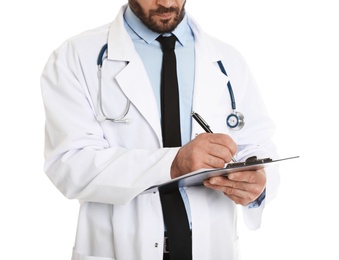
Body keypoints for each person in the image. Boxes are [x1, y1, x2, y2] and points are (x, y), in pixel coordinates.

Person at [41, 1, 279, 259]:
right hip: (121, 246)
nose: (166, 3)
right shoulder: (75, 57)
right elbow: (69, 165)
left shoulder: (228, 59)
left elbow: (258, 145)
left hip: (211, 245)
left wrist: (258, 185)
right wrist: (174, 163)